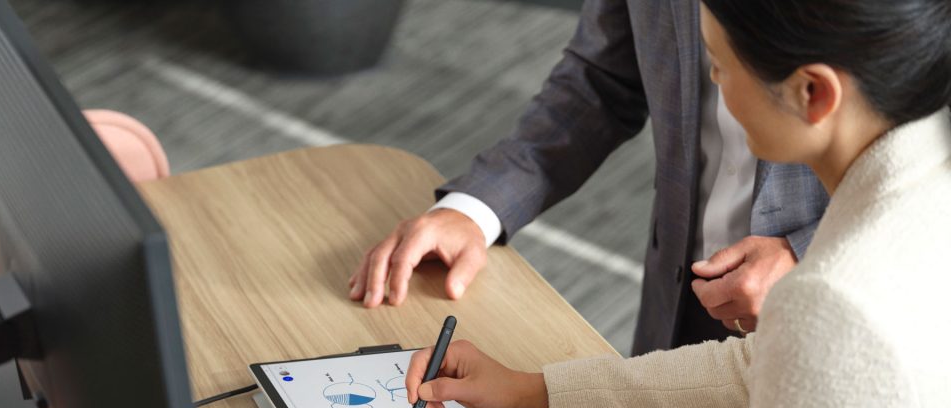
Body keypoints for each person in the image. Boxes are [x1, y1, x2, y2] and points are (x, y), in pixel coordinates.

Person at [403, 0, 951, 408]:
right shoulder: (918, 178)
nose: (711, 87)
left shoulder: (834, 299)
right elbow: (759, 370)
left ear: (812, 93)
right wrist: (533, 390)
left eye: (719, 65)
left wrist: (803, 310)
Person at [349, 0, 828, 357]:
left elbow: (902, 156)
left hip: (837, 321)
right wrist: (475, 208)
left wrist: (810, 258)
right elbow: (602, 78)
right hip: (678, 302)